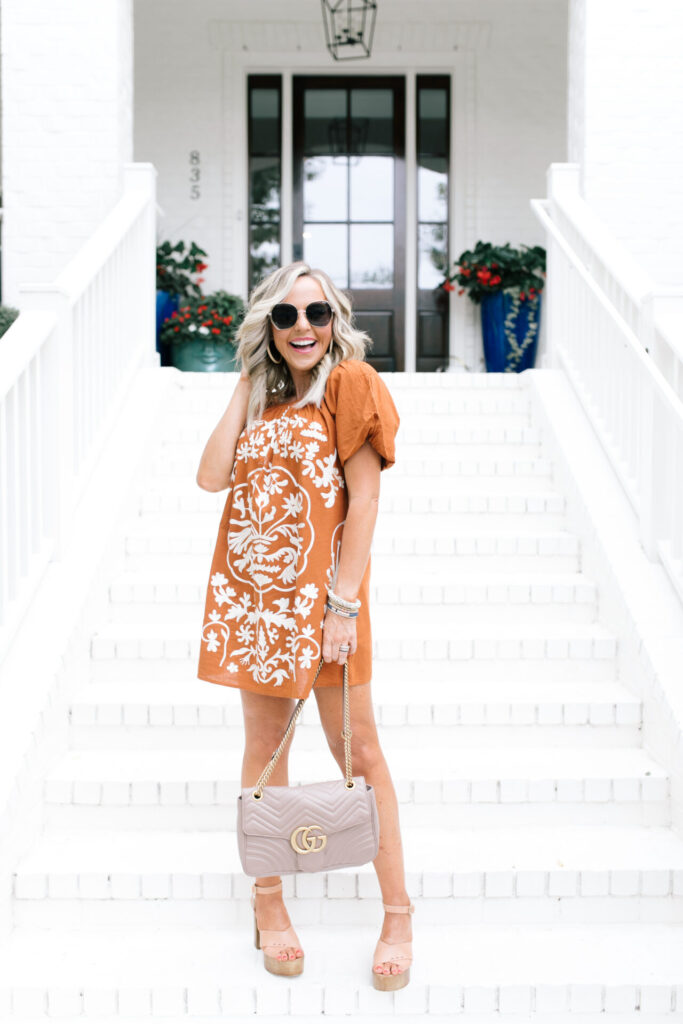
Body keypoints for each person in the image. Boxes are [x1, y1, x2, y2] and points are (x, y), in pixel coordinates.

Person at [195, 261, 414, 991]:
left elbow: (366, 501)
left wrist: (343, 607)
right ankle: (269, 905)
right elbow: (209, 476)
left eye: (315, 315)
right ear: (267, 326)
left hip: (324, 609)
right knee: (263, 754)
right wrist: (244, 382)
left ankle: (397, 912)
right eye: (284, 317)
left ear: (334, 321)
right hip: (255, 605)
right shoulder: (260, 395)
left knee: (361, 755)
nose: (302, 329)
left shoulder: (349, 384)